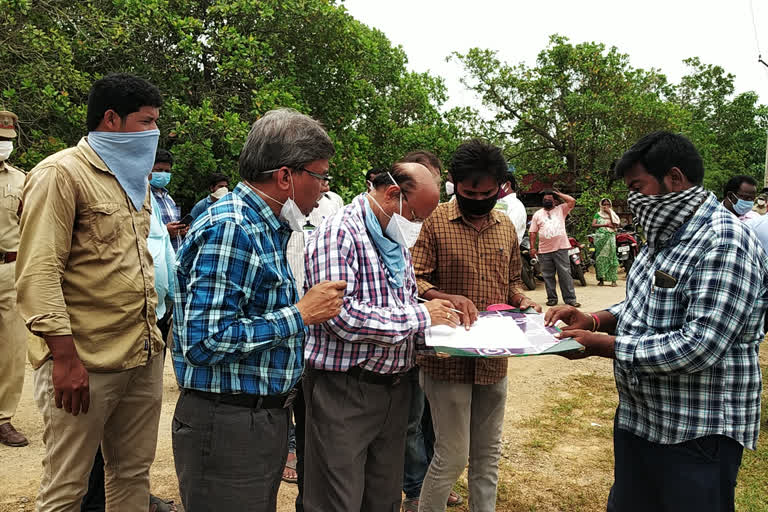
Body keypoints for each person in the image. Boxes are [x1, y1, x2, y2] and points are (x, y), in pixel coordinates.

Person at [546, 131, 768, 512]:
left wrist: (605, 346)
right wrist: (595, 320)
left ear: (675, 179)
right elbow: (642, 301)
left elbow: (700, 345)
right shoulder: (663, 237)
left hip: (697, 431)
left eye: (637, 186)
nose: (632, 198)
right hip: (641, 420)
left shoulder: (723, 241)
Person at [171, 108, 347, 511]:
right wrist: (300, 314)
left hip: (257, 417)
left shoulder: (267, 227)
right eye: (320, 176)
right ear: (285, 177)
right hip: (228, 422)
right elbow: (205, 340)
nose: (323, 190)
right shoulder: (232, 227)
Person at [15, 73, 165, 511]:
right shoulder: (60, 174)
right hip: (84, 361)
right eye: (145, 122)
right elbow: (39, 272)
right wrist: (64, 358)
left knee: (131, 474)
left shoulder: (134, 179)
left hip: (141, 354)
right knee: (67, 486)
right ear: (111, 119)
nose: (153, 133)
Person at [302, 162, 457, 512]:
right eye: (416, 216)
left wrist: (434, 338)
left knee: (383, 496)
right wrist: (420, 316)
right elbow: (339, 316)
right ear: (392, 195)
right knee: (337, 499)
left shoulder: (391, 236)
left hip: (395, 387)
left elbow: (397, 304)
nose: (417, 226)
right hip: (345, 390)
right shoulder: (340, 232)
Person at [411, 139, 541, 512]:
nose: (479, 198)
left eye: (487, 192)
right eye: (470, 192)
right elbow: (413, 279)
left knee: (487, 455)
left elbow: (512, 282)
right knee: (451, 456)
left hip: (494, 358)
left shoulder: (505, 227)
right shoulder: (434, 222)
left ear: (500, 187)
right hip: (446, 358)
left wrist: (524, 301)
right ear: (454, 183)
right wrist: (444, 297)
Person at [396, 150, 463, 511]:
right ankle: (414, 487)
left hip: (433, 330)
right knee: (410, 418)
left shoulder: (440, 216)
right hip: (410, 329)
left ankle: (435, 480)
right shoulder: (395, 220)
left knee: (432, 417)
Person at [282, 186, 344, 511]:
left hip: (319, 328)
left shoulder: (333, 207)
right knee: (287, 405)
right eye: (317, 176)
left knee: (314, 420)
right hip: (289, 318)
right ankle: (289, 449)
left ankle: (309, 499)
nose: (322, 187)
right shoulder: (277, 214)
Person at [0, 110, 29, 448]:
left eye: (7, 141)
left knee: (11, 348)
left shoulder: (22, 180)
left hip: (11, 269)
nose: (3, 146)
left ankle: (4, 417)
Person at [529, 189, 580, 307]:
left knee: (565, 274)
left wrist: (557, 193)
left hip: (561, 248)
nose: (546, 201)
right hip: (544, 250)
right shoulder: (537, 214)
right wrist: (532, 248)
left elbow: (572, 200)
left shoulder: (561, 209)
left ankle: (570, 299)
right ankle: (552, 298)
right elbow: (532, 232)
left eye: (549, 199)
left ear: (555, 201)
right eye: (545, 199)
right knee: (547, 276)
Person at [150, 148, 187, 250]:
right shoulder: (144, 197)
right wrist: (165, 231)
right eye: (159, 170)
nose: (163, 174)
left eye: (167, 171)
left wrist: (181, 230)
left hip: (174, 255)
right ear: (149, 169)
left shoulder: (169, 199)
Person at [591, 198, 621, 287]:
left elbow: (616, 224)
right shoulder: (598, 214)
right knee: (600, 259)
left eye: (608, 204)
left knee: (612, 257)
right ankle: (601, 279)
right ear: (601, 205)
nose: (606, 206)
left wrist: (609, 213)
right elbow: (593, 225)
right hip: (600, 238)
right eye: (604, 204)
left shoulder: (613, 214)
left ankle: (613, 280)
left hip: (610, 237)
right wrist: (605, 225)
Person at [495, 172, 527, 244]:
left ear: (507, 184)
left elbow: (510, 231)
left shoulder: (516, 205)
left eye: (496, 184)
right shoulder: (495, 202)